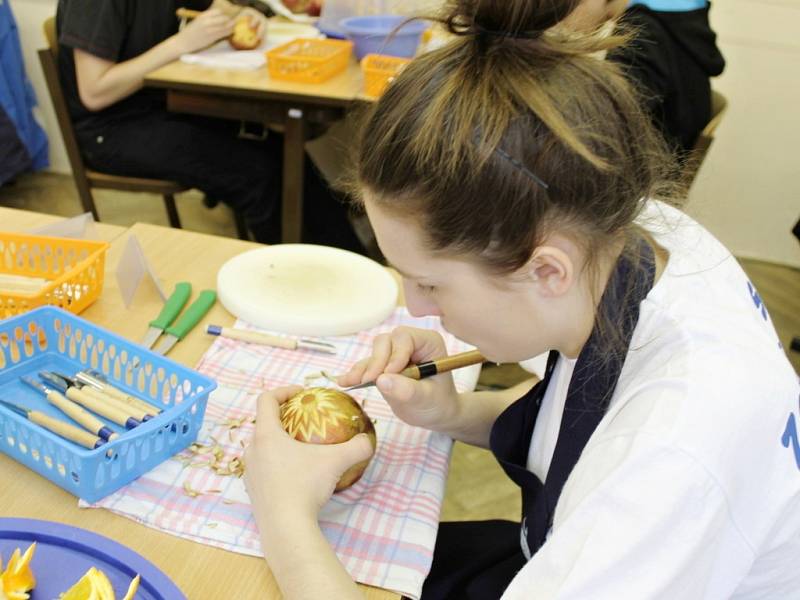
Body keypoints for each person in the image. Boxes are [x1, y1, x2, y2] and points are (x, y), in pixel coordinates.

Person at [243, 1, 800, 598]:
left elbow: (628, 451)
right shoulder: (636, 233)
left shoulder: (674, 456)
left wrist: (284, 512)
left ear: (546, 270)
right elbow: (579, 412)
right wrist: (451, 413)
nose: (417, 307)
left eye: (430, 283)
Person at [56, 0, 365, 250]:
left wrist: (243, 15)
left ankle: (354, 265)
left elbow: (217, 7)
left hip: (163, 106)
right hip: (110, 130)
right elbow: (94, 92)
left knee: (282, 151)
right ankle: (291, 281)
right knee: (257, 174)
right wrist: (181, 43)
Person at [566, 0, 726, 153]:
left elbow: (607, 119)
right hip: (671, 151)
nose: (562, 18)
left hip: (652, 166)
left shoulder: (641, 32)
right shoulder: (676, 21)